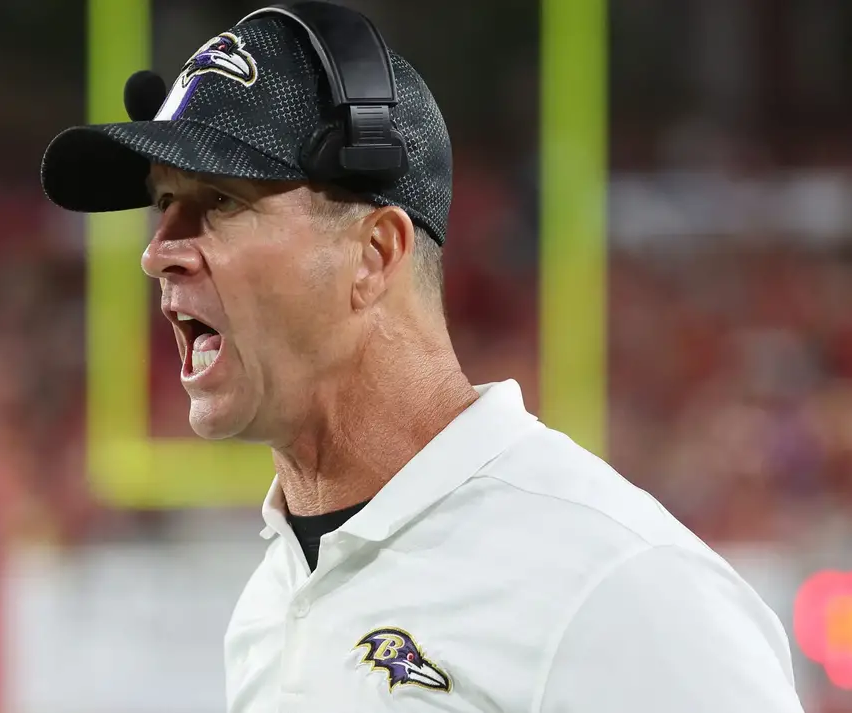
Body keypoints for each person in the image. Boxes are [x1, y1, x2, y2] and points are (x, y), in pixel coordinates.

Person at [40, 4, 805, 711]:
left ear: (374, 255)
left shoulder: (618, 588)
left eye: (220, 201)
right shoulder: (274, 599)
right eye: (161, 205)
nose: (157, 252)